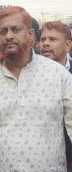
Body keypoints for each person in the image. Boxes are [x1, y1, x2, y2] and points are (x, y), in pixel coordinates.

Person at [0, 6, 72, 171]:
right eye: (3, 31)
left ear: (31, 35)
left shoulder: (58, 76)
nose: (8, 36)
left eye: (15, 30)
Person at [39, 20, 72, 171]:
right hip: (42, 156)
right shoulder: (28, 73)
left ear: (67, 45)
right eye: (43, 39)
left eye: (52, 39)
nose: (45, 43)